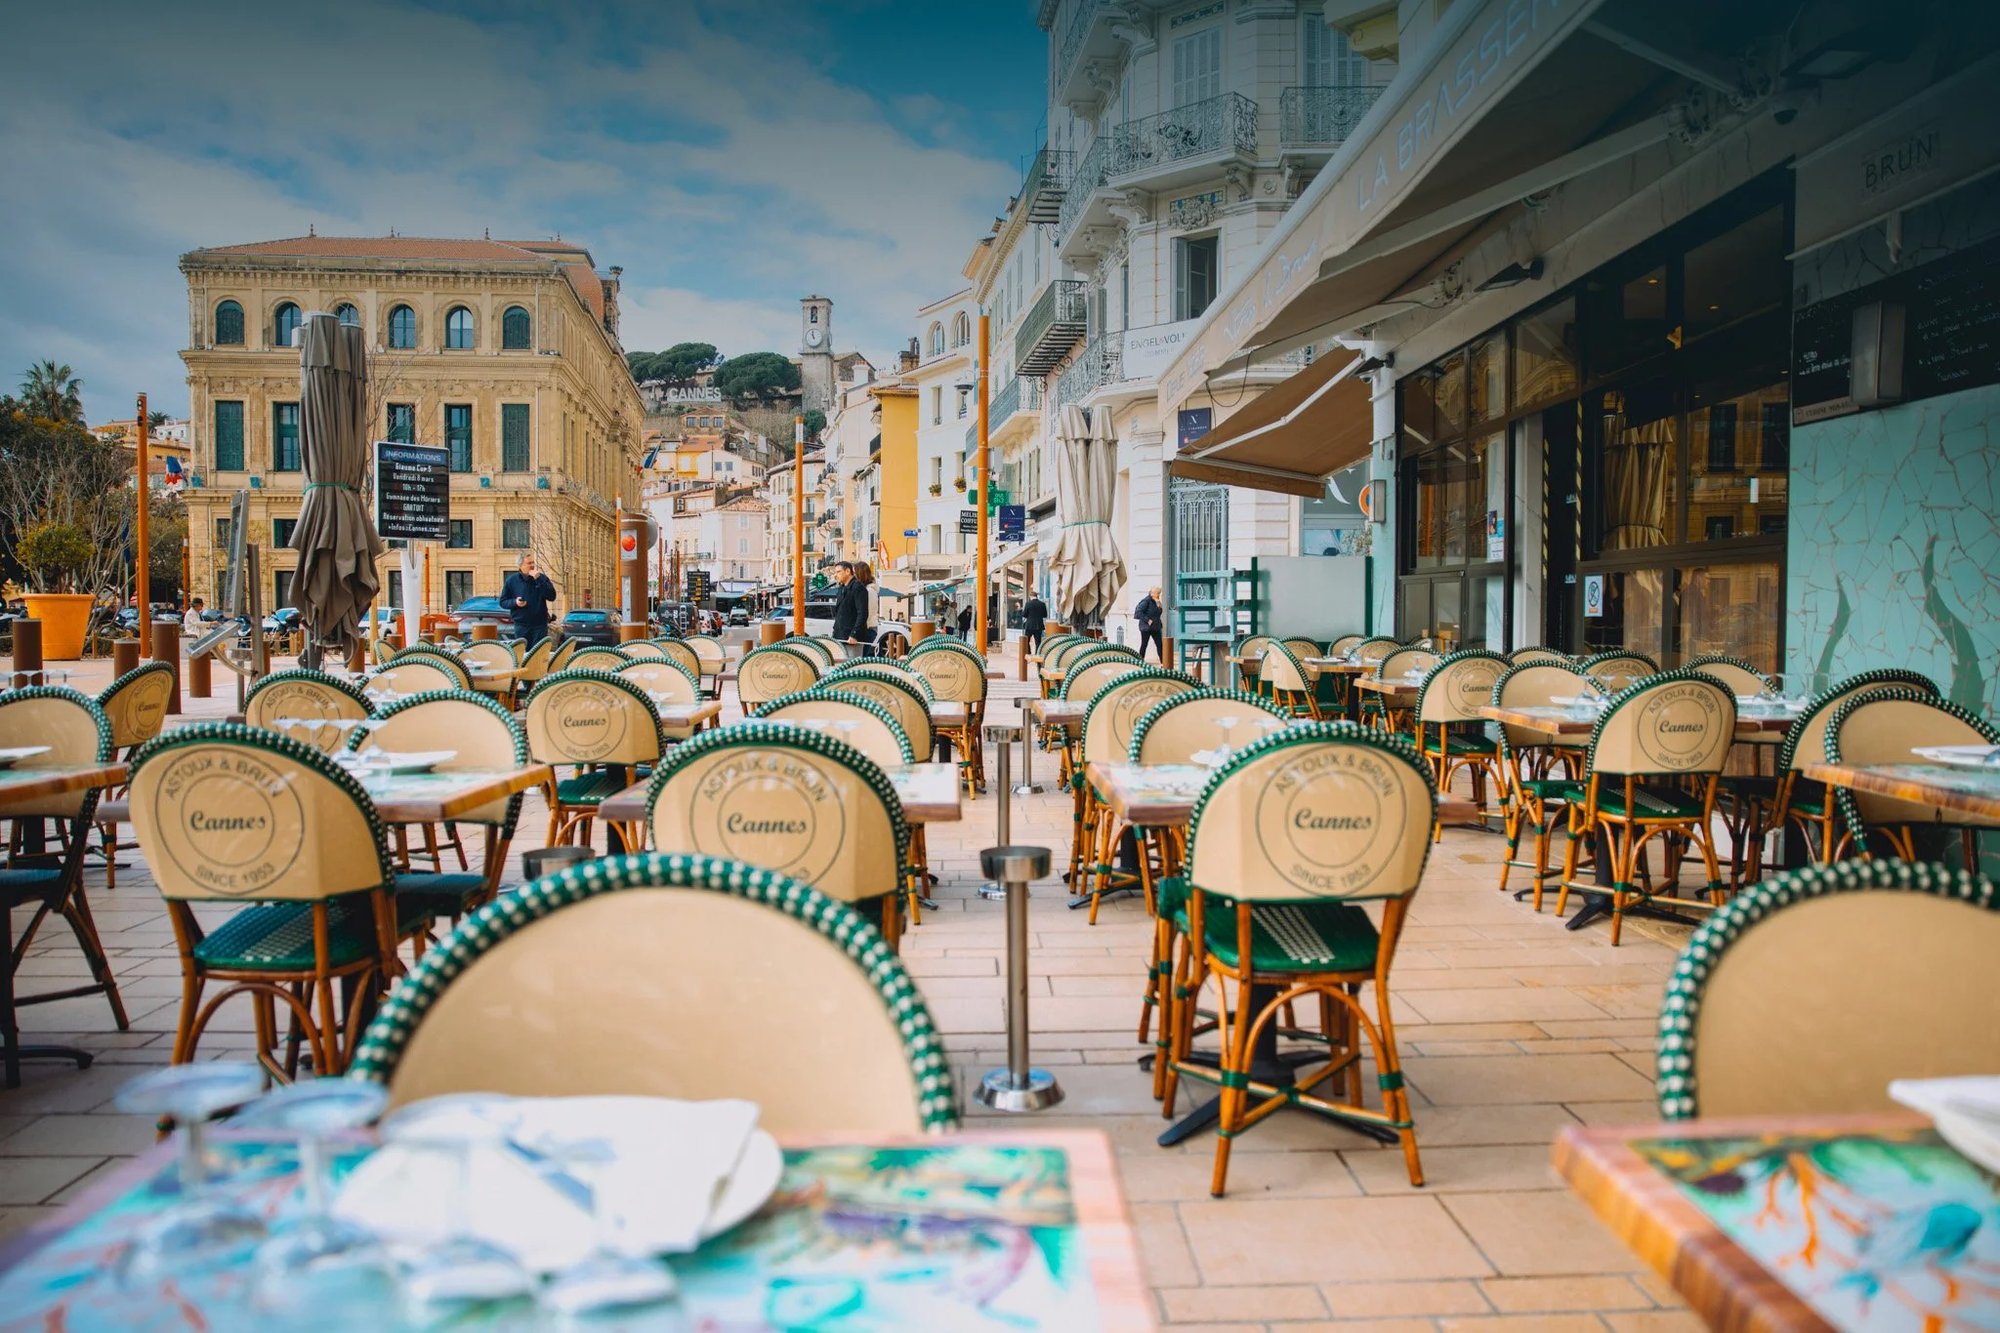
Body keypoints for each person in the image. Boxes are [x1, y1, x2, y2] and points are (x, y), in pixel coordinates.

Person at [501, 552, 559, 647]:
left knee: (539, 654)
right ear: (521, 565)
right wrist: (515, 602)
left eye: (533, 563)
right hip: (521, 626)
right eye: (529, 563)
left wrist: (539, 579)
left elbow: (552, 596)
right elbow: (503, 602)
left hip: (540, 626)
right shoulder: (511, 581)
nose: (532, 566)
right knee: (523, 654)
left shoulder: (541, 578)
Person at [829, 561, 867, 645]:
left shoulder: (858, 587)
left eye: (838, 572)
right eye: (835, 572)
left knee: (852, 658)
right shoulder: (841, 588)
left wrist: (854, 634)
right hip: (839, 636)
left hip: (852, 638)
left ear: (847, 571)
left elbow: (862, 613)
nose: (836, 575)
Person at [851, 561, 878, 655]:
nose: (852, 576)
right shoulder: (868, 589)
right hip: (869, 628)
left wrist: (857, 629)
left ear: (860, 574)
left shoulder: (868, 591)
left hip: (868, 628)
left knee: (860, 658)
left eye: (854, 573)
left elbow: (866, 611)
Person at [1136, 586, 1164, 662]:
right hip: (1146, 628)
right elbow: (1139, 612)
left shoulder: (1156, 601)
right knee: (1144, 644)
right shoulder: (1146, 601)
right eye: (1157, 593)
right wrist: (1147, 620)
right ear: (1152, 593)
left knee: (1160, 645)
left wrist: (1159, 606)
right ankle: (1140, 661)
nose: (1159, 595)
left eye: (1159, 593)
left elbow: (1158, 613)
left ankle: (1164, 662)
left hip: (1155, 627)